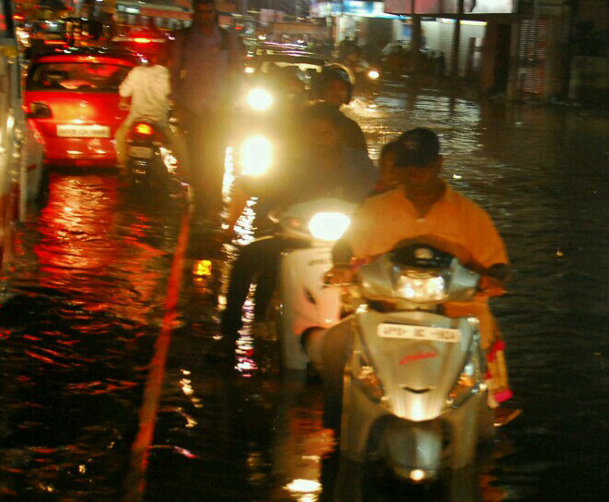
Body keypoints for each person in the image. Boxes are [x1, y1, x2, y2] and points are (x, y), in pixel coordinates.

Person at [311, 127, 514, 420]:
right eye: (408, 167)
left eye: (423, 166)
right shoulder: (375, 208)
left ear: (439, 164)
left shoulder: (470, 214)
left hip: (455, 314)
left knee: (483, 339)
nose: (415, 174)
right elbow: (345, 245)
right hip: (385, 310)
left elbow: (497, 263)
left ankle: (486, 407)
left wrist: (491, 278)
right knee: (333, 344)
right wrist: (342, 265)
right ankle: (337, 419)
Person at [216, 104, 376, 349]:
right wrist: (229, 228)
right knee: (247, 258)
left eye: (326, 134)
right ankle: (228, 335)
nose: (320, 140)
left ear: (338, 135)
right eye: (314, 134)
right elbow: (250, 186)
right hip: (297, 239)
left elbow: (380, 198)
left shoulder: (360, 164)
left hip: (349, 242)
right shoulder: (291, 163)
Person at [171, 0, 245, 223]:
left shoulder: (226, 39)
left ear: (215, 13)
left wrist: (232, 103)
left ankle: (213, 204)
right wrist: (177, 104)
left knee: (217, 159)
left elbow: (237, 73)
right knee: (196, 160)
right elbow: (173, 75)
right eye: (201, 12)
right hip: (192, 111)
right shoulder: (183, 39)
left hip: (219, 111)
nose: (205, 16)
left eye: (209, 12)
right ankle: (201, 203)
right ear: (194, 13)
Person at [113, 43, 185, 170]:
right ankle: (188, 172)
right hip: (159, 122)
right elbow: (177, 99)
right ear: (170, 61)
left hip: (135, 120)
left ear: (154, 58)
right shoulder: (170, 79)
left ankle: (123, 167)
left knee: (119, 137)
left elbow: (124, 91)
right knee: (179, 147)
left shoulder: (138, 72)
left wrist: (124, 102)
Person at [310, 64, 367, 153]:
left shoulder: (351, 128)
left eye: (341, 88)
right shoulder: (307, 118)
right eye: (331, 87)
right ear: (322, 90)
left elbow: (362, 160)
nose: (336, 92)